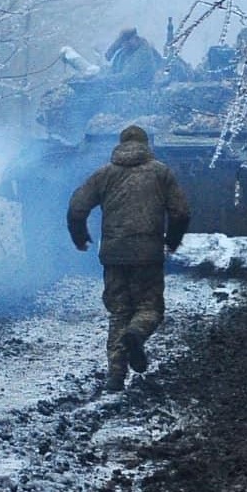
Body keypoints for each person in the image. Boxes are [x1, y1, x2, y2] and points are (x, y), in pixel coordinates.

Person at [67, 125, 190, 392]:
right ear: (146, 145)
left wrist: (80, 236)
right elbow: (180, 212)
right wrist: (172, 240)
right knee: (150, 309)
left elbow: (77, 207)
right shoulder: (160, 173)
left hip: (114, 255)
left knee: (119, 313)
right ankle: (137, 334)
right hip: (148, 254)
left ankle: (115, 376)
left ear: (120, 146)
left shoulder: (104, 174)